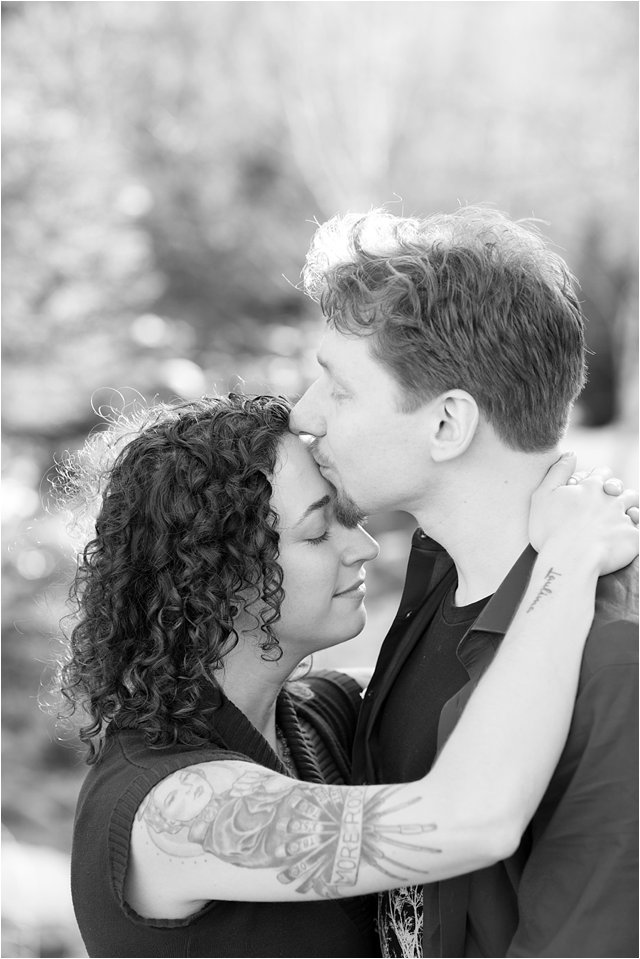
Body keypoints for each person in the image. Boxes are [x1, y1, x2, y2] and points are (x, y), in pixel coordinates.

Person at [56, 393, 636, 959]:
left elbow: (498, 690)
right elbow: (471, 820)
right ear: (215, 580)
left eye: (348, 518)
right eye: (317, 532)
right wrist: (568, 559)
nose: (362, 547)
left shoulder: (316, 716)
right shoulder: (171, 812)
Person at [290, 207, 639, 958]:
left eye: (339, 388)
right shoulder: (438, 576)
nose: (304, 414)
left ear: (448, 423)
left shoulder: (615, 664)